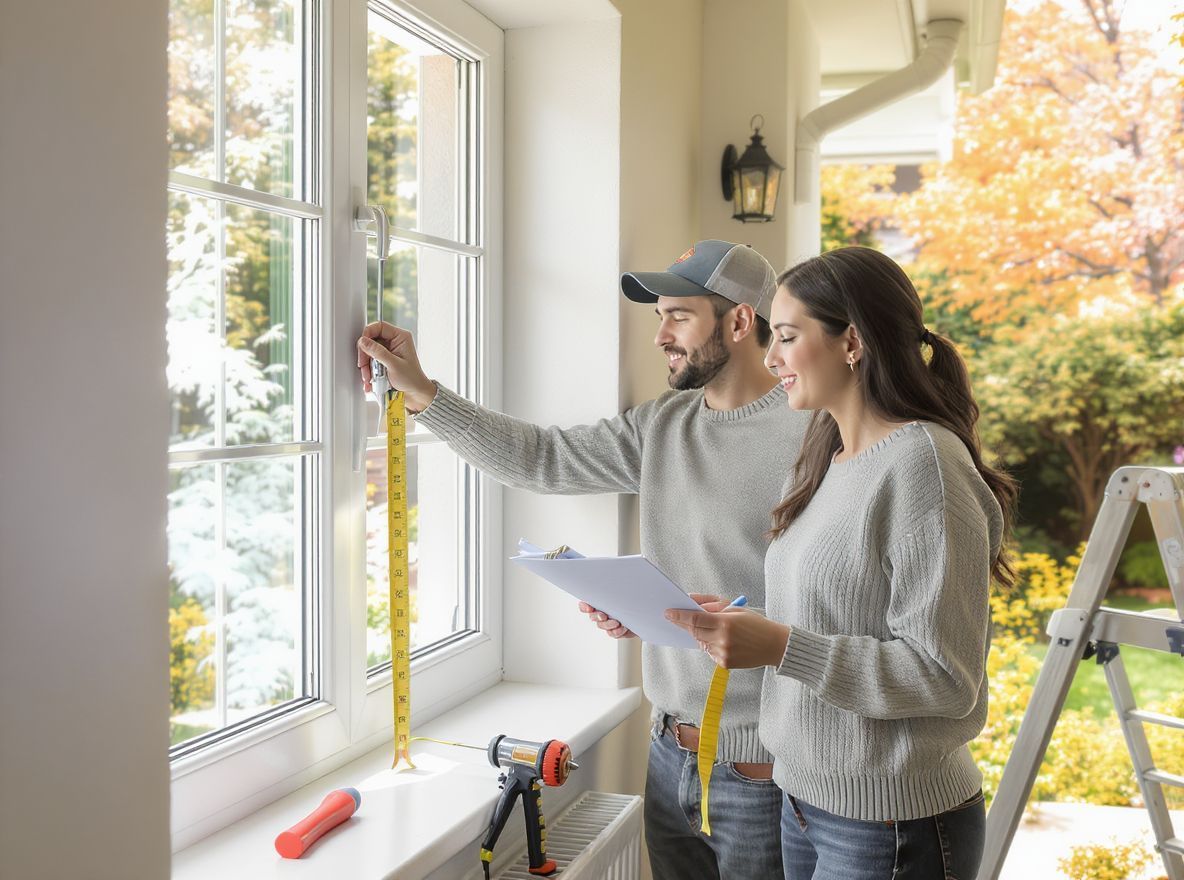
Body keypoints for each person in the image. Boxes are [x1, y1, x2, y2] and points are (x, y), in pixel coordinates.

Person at [357, 241, 809, 879]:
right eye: (659, 317)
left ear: (739, 321)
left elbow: (830, 597)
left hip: (763, 767)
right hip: (669, 751)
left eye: (679, 316)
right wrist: (426, 393)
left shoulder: (812, 433)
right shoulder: (663, 424)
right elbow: (542, 459)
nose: (660, 336)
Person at [667, 245, 1017, 880]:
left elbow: (945, 676)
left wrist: (780, 646)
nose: (770, 358)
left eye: (788, 337)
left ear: (852, 341)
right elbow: (837, 612)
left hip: (891, 819)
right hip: (803, 799)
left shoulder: (924, 466)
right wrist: (737, 622)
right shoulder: (828, 457)